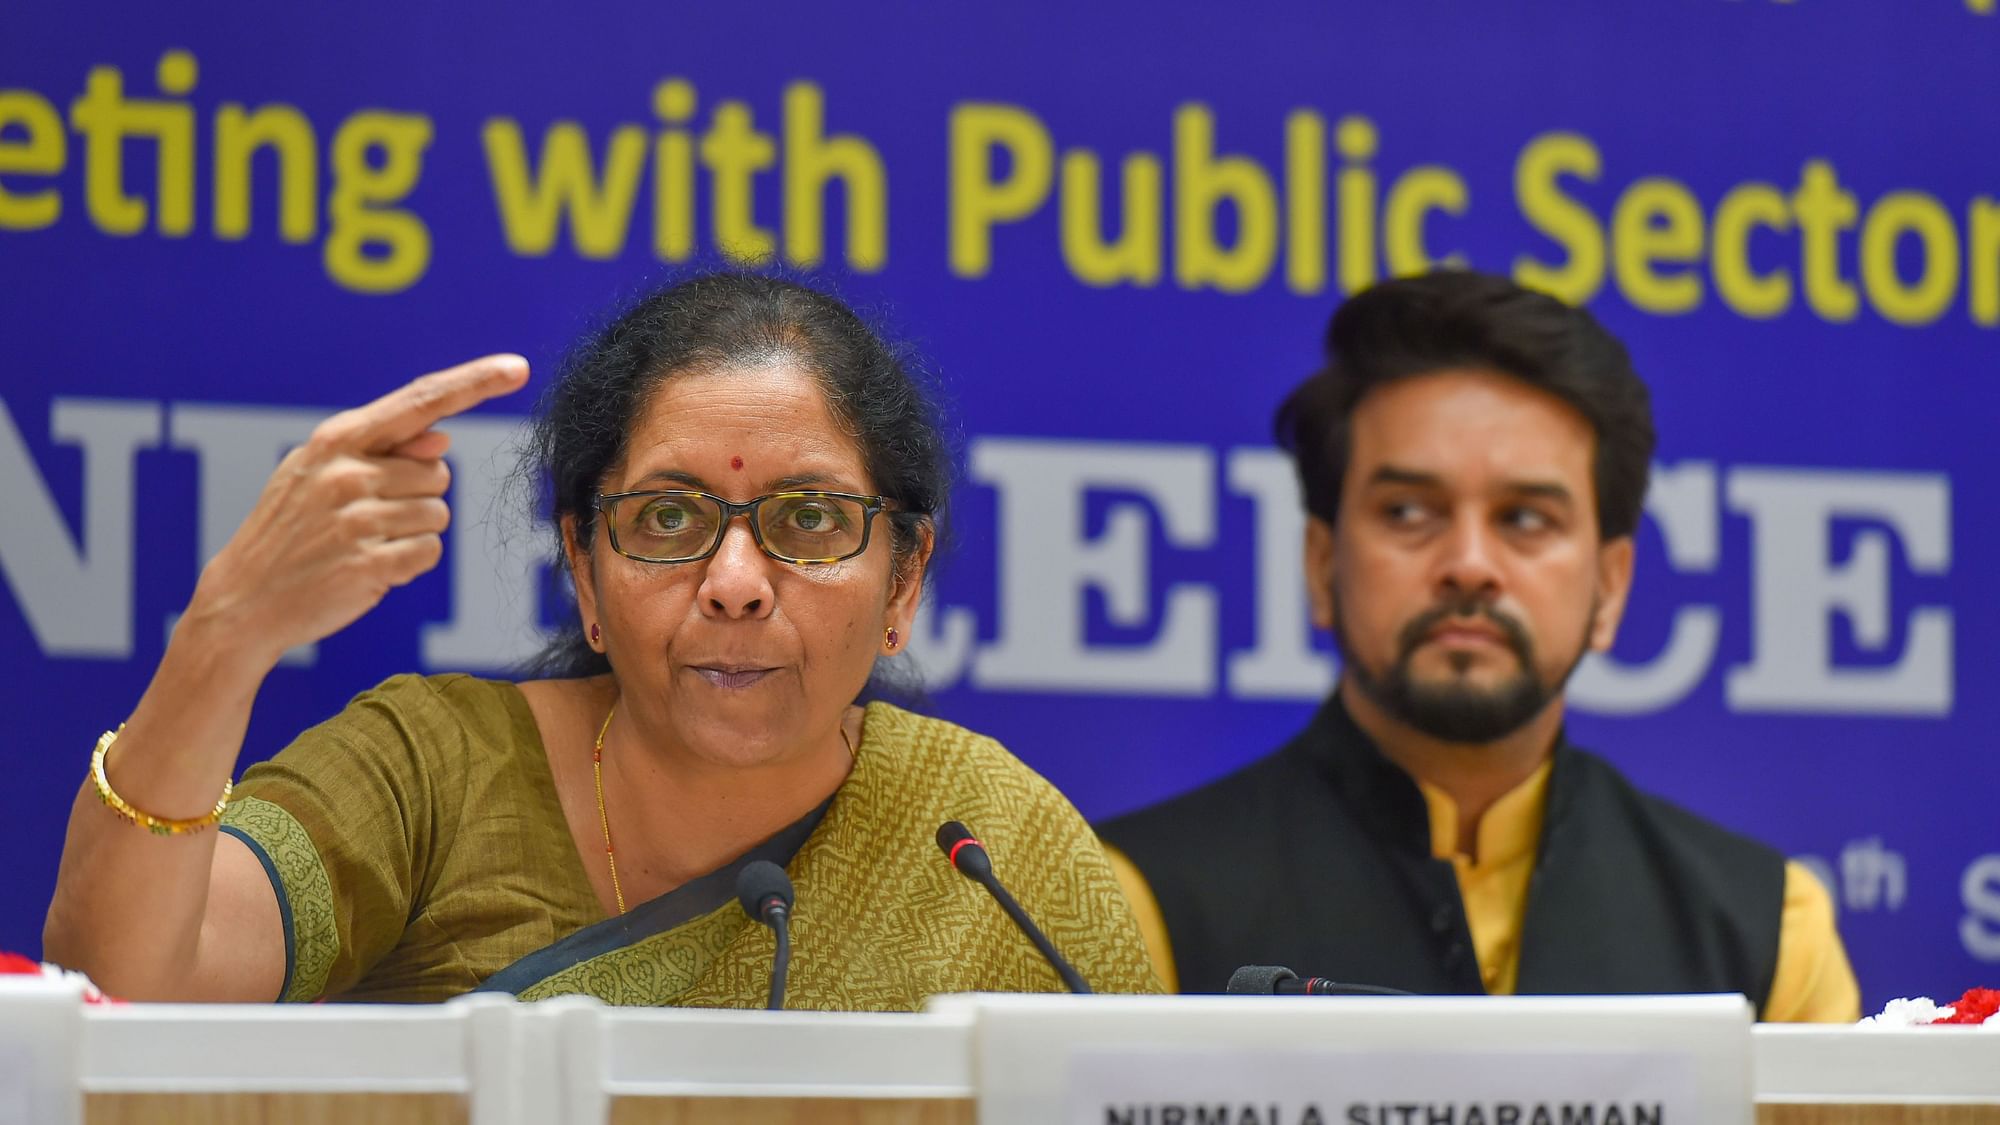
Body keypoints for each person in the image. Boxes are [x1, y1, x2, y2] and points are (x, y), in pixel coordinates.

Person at [43, 273, 1158, 1007]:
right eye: (667, 519)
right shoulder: (435, 771)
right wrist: (223, 636)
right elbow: (126, 990)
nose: (734, 584)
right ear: (583, 568)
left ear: (903, 578)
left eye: (809, 520)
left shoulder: (989, 854)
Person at [1098, 269, 1859, 1021]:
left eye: (1526, 518)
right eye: (1407, 510)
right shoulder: (1137, 902)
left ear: (1612, 586)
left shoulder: (1768, 935)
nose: (1469, 563)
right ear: (1323, 566)